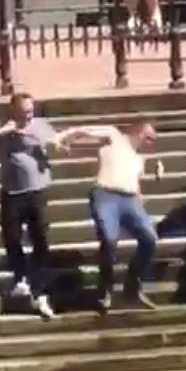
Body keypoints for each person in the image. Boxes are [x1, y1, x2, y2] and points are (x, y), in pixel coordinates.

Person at [56, 121, 164, 315]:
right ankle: (104, 287)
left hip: (130, 199)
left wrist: (155, 180)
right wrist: (65, 137)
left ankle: (132, 288)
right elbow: (85, 129)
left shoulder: (139, 160)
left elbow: (136, 187)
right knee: (109, 239)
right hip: (106, 194)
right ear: (137, 132)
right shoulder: (114, 136)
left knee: (149, 238)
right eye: (148, 138)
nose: (150, 144)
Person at [0, 92, 58, 320]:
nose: (28, 115)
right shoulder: (2, 127)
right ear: (13, 111)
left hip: (37, 190)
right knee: (11, 237)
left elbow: (56, 141)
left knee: (40, 238)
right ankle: (20, 278)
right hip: (12, 191)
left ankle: (39, 287)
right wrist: (4, 131)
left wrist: (48, 144)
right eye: (24, 112)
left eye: (31, 111)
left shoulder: (39, 126)